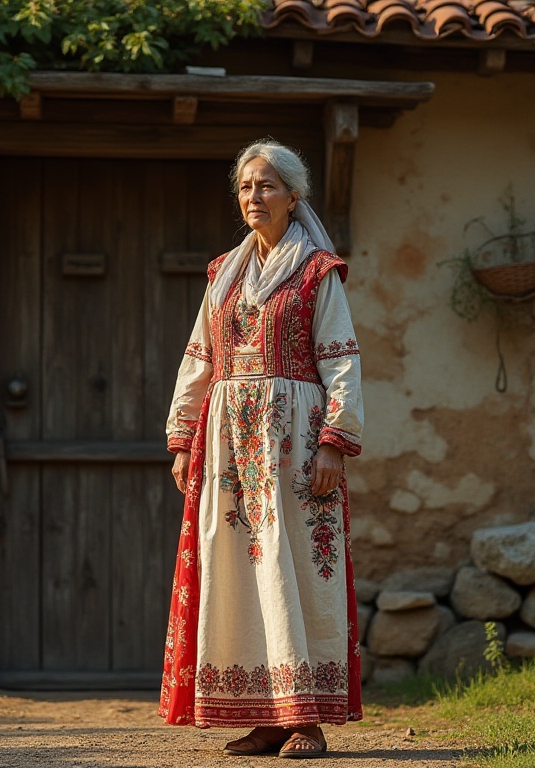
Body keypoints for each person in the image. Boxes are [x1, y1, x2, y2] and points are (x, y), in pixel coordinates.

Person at [159, 139, 364, 759]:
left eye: (267, 186)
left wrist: (334, 442)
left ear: (294, 196)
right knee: (240, 574)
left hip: (295, 445)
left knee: (296, 571)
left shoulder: (316, 272)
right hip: (229, 450)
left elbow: (342, 359)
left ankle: (308, 717)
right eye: (246, 187)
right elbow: (199, 358)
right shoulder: (225, 274)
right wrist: (183, 435)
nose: (254, 197)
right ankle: (267, 715)